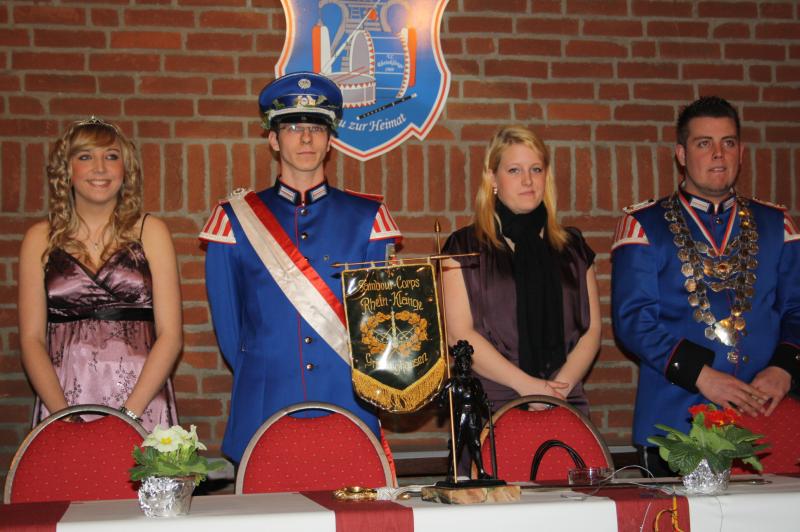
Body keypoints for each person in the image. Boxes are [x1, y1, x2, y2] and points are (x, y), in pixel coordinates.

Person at [199, 72, 402, 463]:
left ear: (330, 140)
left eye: (316, 128)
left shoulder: (369, 218)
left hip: (347, 398)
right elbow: (230, 332)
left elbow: (380, 322)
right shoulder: (234, 220)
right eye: (293, 128)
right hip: (265, 401)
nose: (306, 139)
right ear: (274, 140)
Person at [611, 96, 800, 476]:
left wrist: (784, 368)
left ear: (741, 153)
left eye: (728, 142)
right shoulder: (643, 225)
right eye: (704, 143)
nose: (718, 154)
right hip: (675, 421)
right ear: (681, 154)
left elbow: (796, 308)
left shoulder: (777, 224)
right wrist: (702, 375)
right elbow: (634, 322)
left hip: (767, 419)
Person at [18, 117, 182, 431]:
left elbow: (171, 336)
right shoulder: (40, 238)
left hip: (143, 400)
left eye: (111, 156)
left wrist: (128, 417)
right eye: (85, 157)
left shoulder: (151, 232)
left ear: (126, 169)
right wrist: (63, 416)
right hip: (63, 397)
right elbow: (31, 339)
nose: (100, 168)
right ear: (66, 169)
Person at [442, 125, 601, 415]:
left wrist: (558, 390)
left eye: (536, 169)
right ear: (492, 178)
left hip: (565, 397)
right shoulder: (463, 248)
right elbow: (459, 334)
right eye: (514, 170)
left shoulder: (574, 247)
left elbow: (591, 331)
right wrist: (527, 386)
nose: (528, 180)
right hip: (492, 403)